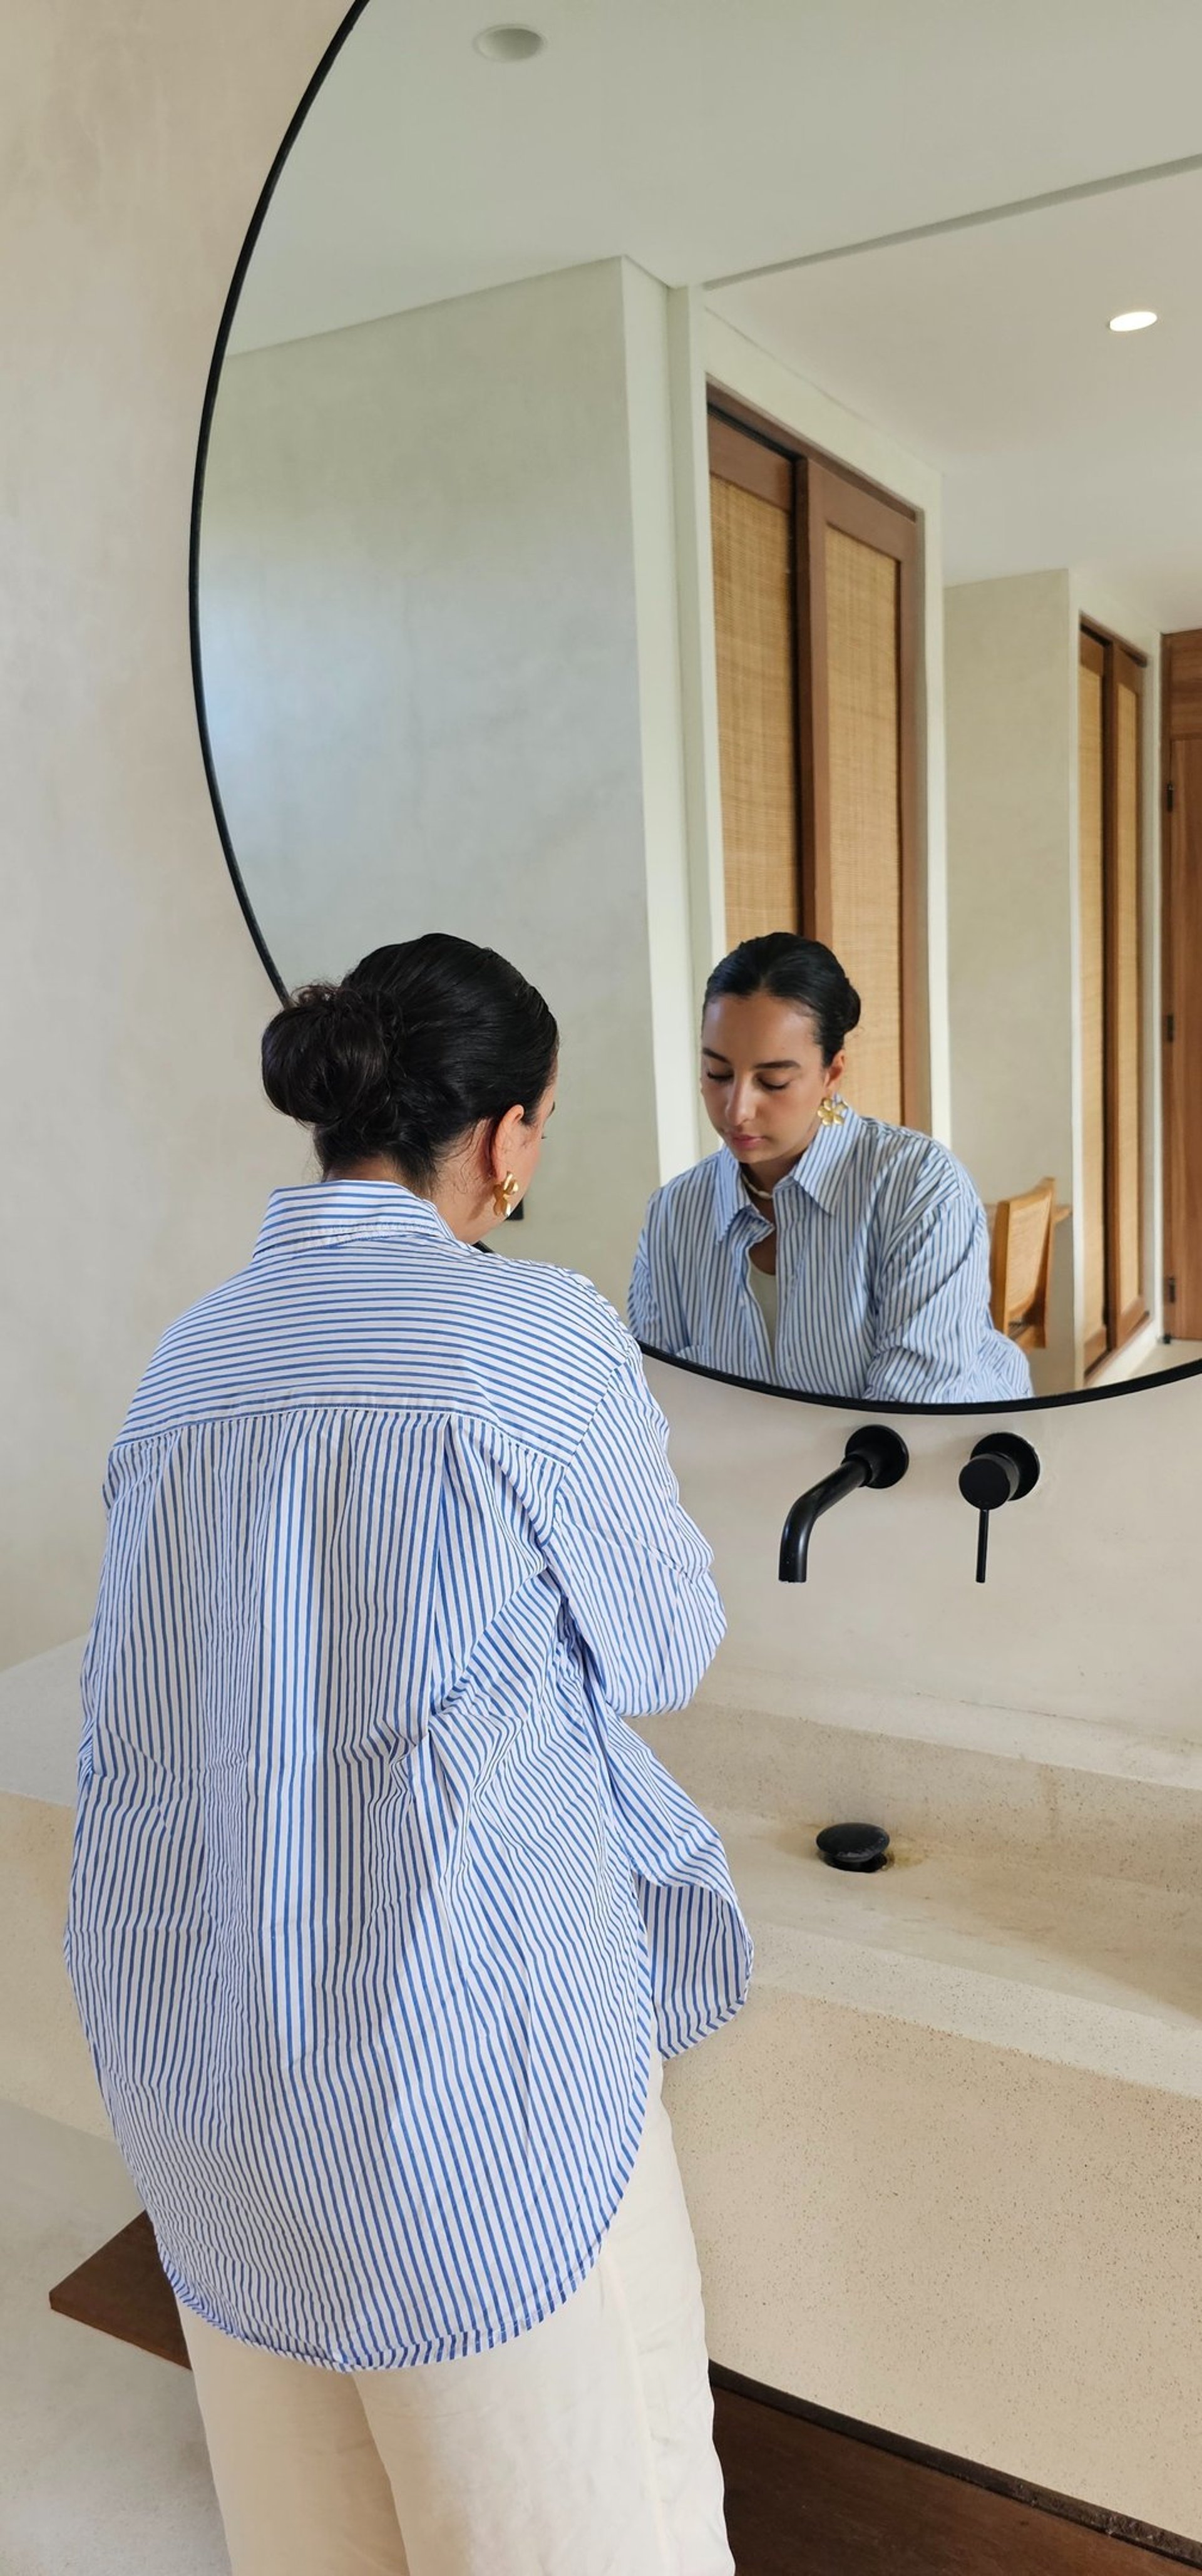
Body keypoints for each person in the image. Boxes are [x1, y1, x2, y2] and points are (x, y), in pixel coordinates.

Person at [67, 930, 751, 2576]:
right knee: (591, 2532)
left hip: (218, 2096)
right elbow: (669, 1647)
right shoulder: (525, 1338)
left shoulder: (185, 1367)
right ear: (510, 1138)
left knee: (317, 2546)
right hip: (470, 2109)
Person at [630, 931, 1032, 1405]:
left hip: (932, 1468)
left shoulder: (920, 1187)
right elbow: (657, 1402)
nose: (737, 1109)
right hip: (757, 1477)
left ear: (831, 1073)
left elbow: (908, 1417)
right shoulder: (676, 1214)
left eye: (773, 1081)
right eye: (717, 1074)